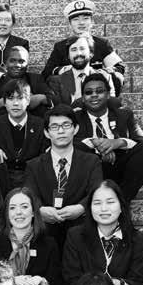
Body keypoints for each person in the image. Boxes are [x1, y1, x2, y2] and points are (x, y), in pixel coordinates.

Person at [62, 180, 143, 285]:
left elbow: (140, 283)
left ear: (121, 206)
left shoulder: (138, 239)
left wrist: (119, 283)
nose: (103, 208)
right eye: (97, 203)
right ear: (89, 208)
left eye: (110, 202)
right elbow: (70, 279)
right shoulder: (75, 236)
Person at [24, 105, 102, 245]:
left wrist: (81, 208)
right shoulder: (33, 165)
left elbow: (96, 191)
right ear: (47, 133)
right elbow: (30, 195)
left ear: (75, 129)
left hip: (81, 226)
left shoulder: (92, 161)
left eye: (66, 125)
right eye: (54, 127)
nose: (61, 131)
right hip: (46, 229)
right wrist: (40, 210)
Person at [74, 73, 143, 203]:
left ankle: (121, 201)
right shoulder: (75, 117)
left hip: (119, 166)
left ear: (108, 95)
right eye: (88, 92)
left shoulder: (124, 114)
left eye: (99, 91)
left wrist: (118, 143)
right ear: (83, 98)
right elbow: (66, 143)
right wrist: (95, 143)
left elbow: (142, 141)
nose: (94, 95)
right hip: (91, 168)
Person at [41, 0, 126, 95]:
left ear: (92, 21)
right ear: (70, 24)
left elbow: (119, 66)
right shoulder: (61, 46)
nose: (81, 23)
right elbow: (47, 73)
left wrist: (98, 72)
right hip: (70, 90)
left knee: (117, 76)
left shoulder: (101, 44)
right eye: (76, 19)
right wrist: (63, 70)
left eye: (85, 18)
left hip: (96, 88)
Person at [0, 79, 47, 190]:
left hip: (31, 176)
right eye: (10, 99)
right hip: (3, 177)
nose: (15, 103)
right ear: (5, 102)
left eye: (20, 98)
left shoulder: (40, 125)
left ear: (28, 101)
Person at [0, 46, 53, 119]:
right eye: (12, 61)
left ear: (27, 64)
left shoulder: (36, 79)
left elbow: (54, 99)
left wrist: (41, 98)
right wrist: (5, 102)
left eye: (21, 61)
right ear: (5, 63)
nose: (17, 65)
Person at [47, 35, 101, 107]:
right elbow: (58, 109)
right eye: (74, 50)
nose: (78, 53)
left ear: (91, 53)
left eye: (82, 48)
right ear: (68, 56)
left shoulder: (105, 77)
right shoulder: (56, 82)